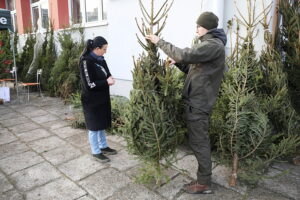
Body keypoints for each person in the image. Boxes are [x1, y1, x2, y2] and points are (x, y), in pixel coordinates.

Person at [146, 12, 227, 194]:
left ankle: (204, 183)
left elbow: (184, 54)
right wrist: (177, 63)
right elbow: (194, 69)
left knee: (200, 142)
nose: (196, 28)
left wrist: (159, 42)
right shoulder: (209, 44)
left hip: (199, 103)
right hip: (196, 100)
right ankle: (203, 178)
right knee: (198, 141)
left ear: (206, 27)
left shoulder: (212, 45)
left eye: (198, 26)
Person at [79, 36, 117, 163]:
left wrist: (110, 77)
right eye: (104, 49)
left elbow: (107, 73)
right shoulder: (85, 61)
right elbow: (89, 84)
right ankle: (96, 151)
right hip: (91, 100)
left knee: (101, 124)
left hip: (102, 98)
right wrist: (106, 82)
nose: (105, 51)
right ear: (97, 48)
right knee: (94, 127)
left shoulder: (101, 59)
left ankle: (103, 146)